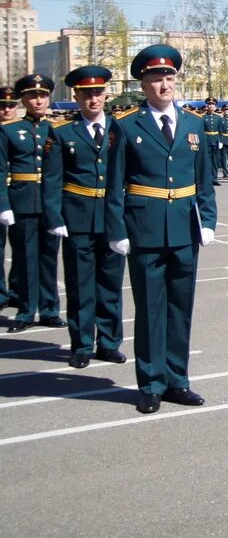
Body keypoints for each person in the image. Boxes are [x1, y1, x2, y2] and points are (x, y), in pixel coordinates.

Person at [106, 45, 217, 414]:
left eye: (170, 77)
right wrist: (117, 229)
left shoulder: (193, 123)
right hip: (145, 228)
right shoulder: (125, 125)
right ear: (144, 83)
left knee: (180, 308)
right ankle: (151, 383)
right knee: (151, 310)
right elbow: (115, 184)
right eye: (156, 78)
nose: (165, 84)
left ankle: (178, 381)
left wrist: (209, 221)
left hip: (185, 229)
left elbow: (204, 180)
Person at [42, 65, 127, 368]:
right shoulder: (63, 132)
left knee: (111, 283)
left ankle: (109, 342)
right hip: (77, 217)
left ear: (106, 95)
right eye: (86, 94)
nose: (93, 99)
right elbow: (52, 179)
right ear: (76, 97)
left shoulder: (121, 129)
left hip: (112, 217)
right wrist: (54, 217)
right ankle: (80, 345)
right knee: (80, 285)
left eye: (98, 93)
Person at [0, 73, 65, 332]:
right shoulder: (9, 130)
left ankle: (50, 309)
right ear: (23, 100)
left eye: (42, 96)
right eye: (32, 96)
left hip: (51, 202)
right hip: (22, 200)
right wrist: (3, 204)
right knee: (25, 258)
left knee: (49, 257)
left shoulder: (57, 129)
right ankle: (26, 310)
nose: (38, 101)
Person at [0, 86, 17, 311]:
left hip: (19, 195)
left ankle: (16, 292)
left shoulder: (24, 130)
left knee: (22, 251)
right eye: (2, 106)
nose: (6, 110)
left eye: (11, 105)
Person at [200, 97, 223, 186]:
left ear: (215, 107)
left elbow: (220, 130)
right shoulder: (203, 117)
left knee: (215, 161)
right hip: (207, 140)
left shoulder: (218, 117)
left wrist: (220, 140)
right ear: (207, 106)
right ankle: (207, 179)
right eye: (209, 104)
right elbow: (201, 130)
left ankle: (214, 178)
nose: (211, 106)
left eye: (212, 105)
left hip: (216, 140)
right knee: (207, 161)